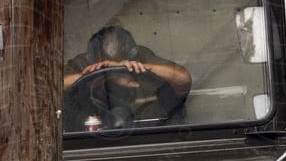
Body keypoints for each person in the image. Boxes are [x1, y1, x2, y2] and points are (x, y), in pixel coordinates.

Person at [62, 25, 192, 129]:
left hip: (149, 136)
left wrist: (133, 68)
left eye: (119, 58)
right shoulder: (82, 63)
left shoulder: (142, 57)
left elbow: (183, 79)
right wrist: (97, 75)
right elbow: (52, 90)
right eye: (105, 60)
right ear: (94, 57)